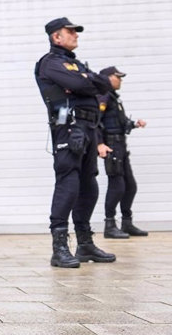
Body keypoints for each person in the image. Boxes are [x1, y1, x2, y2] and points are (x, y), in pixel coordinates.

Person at [34, 17, 117, 268]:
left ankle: (85, 243)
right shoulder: (50, 63)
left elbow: (105, 84)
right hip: (68, 129)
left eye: (75, 32)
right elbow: (82, 83)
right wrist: (87, 81)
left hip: (89, 128)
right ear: (56, 37)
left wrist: (87, 81)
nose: (76, 35)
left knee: (89, 185)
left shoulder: (75, 63)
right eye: (70, 32)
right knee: (68, 183)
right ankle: (59, 248)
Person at [97, 66, 148, 239]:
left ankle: (127, 222)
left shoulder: (113, 97)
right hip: (111, 145)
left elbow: (118, 121)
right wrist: (99, 144)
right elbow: (95, 121)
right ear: (108, 78)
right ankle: (109, 225)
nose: (121, 80)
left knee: (130, 186)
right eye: (117, 77)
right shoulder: (102, 96)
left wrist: (134, 124)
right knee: (117, 186)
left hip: (120, 144)